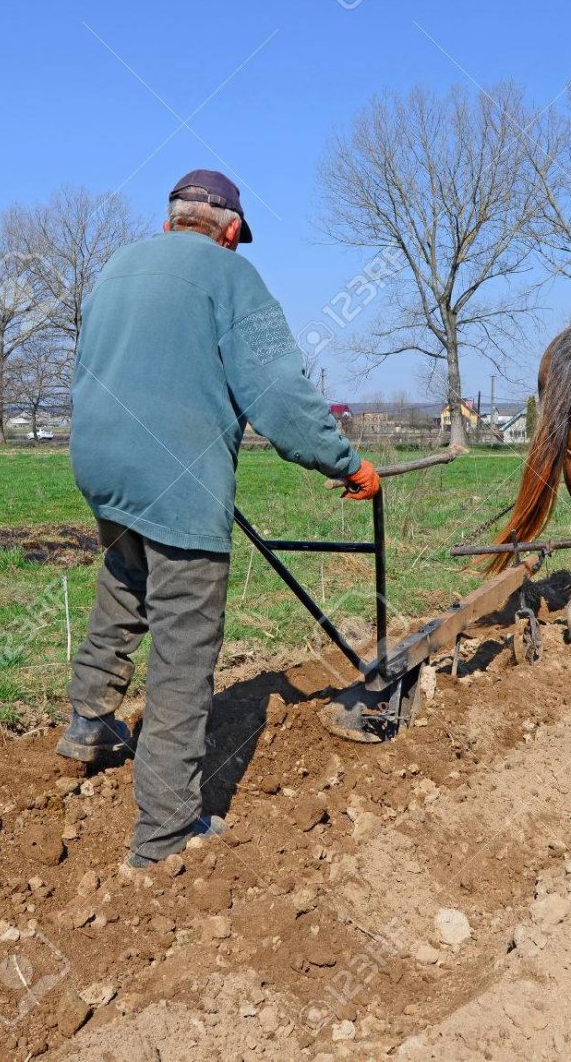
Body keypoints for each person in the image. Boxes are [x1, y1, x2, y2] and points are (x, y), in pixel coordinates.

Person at [57, 168, 379, 868]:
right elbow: (279, 394)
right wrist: (346, 463)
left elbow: (88, 365)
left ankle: (88, 720)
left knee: (124, 578)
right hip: (175, 480)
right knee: (184, 646)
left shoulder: (116, 267)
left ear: (174, 218)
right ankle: (165, 834)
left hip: (100, 465)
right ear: (230, 230)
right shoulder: (233, 278)